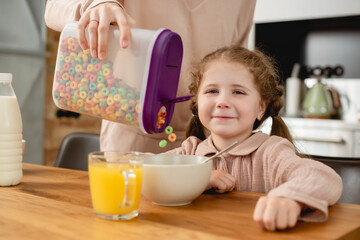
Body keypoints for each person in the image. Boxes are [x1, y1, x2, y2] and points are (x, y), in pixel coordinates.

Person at [164, 45, 343, 231]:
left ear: (261, 108)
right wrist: (196, 178)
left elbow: (324, 178)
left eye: (238, 92)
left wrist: (289, 198)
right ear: (197, 101)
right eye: (212, 91)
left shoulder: (272, 152)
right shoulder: (190, 151)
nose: (223, 102)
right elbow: (138, 169)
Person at [44, 0, 257, 153]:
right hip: (132, 142)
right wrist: (95, 4)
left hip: (214, 146)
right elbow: (53, 7)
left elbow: (237, 59)